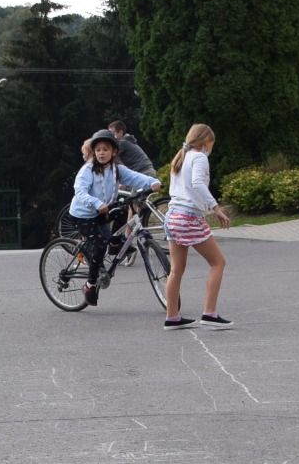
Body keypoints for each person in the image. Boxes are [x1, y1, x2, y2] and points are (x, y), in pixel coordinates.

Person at [67, 128, 161, 307]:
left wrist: (153, 183)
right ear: (94, 152)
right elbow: (79, 191)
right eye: (98, 150)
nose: (101, 153)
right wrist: (96, 204)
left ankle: (116, 245)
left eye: (106, 149)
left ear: (114, 152)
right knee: (99, 245)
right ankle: (90, 285)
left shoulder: (117, 169)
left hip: (102, 212)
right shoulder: (87, 170)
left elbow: (136, 177)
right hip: (83, 215)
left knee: (121, 210)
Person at [160, 123, 232, 329]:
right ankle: (210, 313)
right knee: (218, 263)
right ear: (207, 141)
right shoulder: (199, 157)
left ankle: (172, 317)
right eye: (212, 143)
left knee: (176, 270)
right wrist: (216, 208)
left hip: (172, 216)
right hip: (189, 217)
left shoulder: (180, 157)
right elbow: (197, 182)